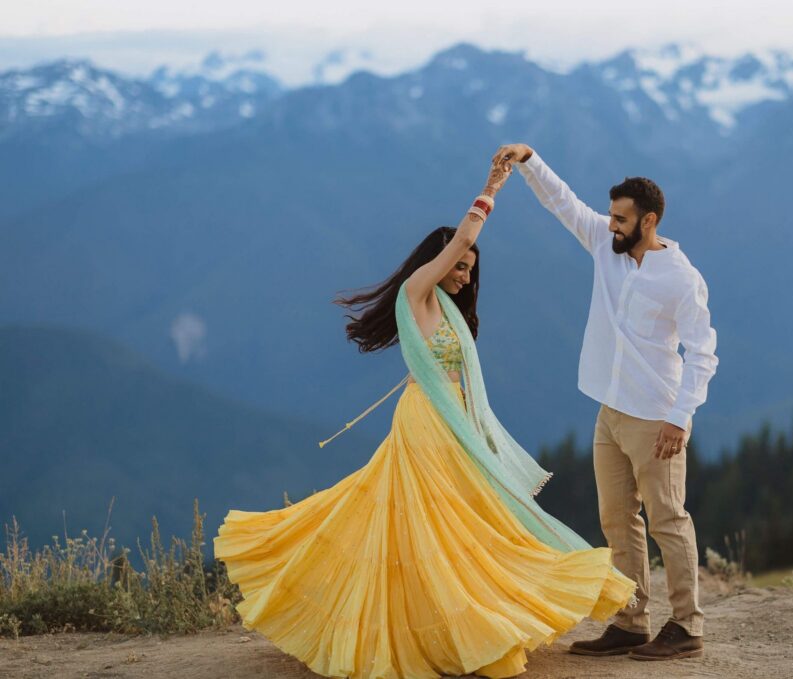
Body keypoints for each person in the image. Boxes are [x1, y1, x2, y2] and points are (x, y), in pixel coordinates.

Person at [213, 157, 635, 679]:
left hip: (452, 424)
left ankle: (467, 625)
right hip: (427, 426)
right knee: (439, 528)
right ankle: (453, 630)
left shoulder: (444, 307)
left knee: (460, 528)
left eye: (469, 270)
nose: (464, 275)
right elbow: (460, 242)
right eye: (459, 266)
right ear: (438, 261)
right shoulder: (417, 291)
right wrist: (490, 190)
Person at [495, 143, 718, 661]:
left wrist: (680, 418)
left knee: (667, 520)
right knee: (617, 520)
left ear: (649, 221)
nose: (610, 224)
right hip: (609, 409)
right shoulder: (603, 243)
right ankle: (631, 620)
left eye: (621, 218)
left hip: (655, 415)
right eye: (611, 216)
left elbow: (704, 353)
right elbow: (563, 202)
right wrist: (529, 161)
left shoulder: (681, 278)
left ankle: (687, 626)